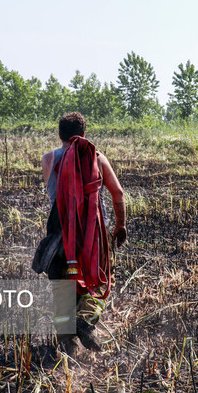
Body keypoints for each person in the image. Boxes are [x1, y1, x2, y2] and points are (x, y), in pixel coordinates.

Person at [41, 112, 126, 352]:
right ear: (84, 134)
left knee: (63, 288)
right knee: (98, 281)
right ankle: (85, 321)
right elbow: (117, 194)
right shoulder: (97, 158)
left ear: (59, 135)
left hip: (60, 237)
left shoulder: (49, 159)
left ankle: (67, 347)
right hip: (93, 236)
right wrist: (120, 226)